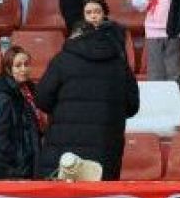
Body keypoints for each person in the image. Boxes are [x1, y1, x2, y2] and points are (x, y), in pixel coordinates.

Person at [35, 13, 138, 180]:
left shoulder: (62, 60)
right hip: (105, 151)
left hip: (62, 151)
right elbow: (132, 106)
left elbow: (42, 99)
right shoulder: (119, 65)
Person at [0, 46, 43, 179]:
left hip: (28, 167)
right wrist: (16, 161)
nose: (23, 69)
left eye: (26, 64)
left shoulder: (29, 91)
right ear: (9, 69)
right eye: (18, 66)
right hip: (11, 172)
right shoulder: (1, 97)